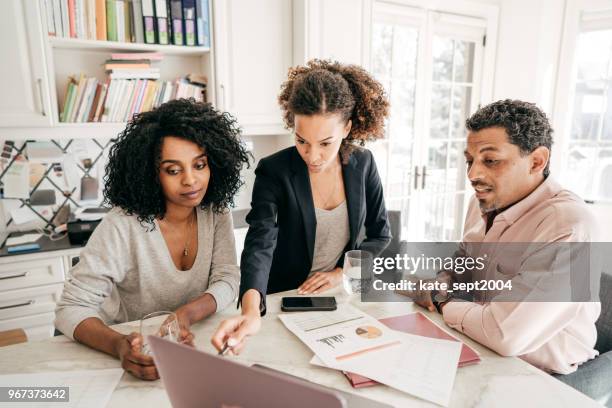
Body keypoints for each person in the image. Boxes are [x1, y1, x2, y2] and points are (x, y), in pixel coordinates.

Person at [55, 99, 250, 380]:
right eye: (173, 170)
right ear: (151, 173)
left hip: (193, 346)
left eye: (199, 165)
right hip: (132, 351)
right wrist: (120, 346)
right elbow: (70, 309)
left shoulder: (215, 211)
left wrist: (185, 314)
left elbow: (228, 279)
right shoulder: (123, 225)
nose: (190, 180)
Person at [211, 59, 392, 354]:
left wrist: (340, 272)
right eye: (301, 140)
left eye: (325, 143)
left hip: (341, 297)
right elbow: (260, 243)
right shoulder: (274, 171)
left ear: (347, 128)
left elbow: (380, 235)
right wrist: (250, 310)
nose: (312, 155)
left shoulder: (363, 164)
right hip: (285, 298)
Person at [410, 99, 601, 376]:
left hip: (547, 378)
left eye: (490, 160)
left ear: (537, 161)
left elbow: (505, 334)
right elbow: (460, 269)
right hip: (479, 349)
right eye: (470, 161)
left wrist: (442, 299)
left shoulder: (570, 227)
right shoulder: (481, 204)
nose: (473, 174)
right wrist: (443, 282)